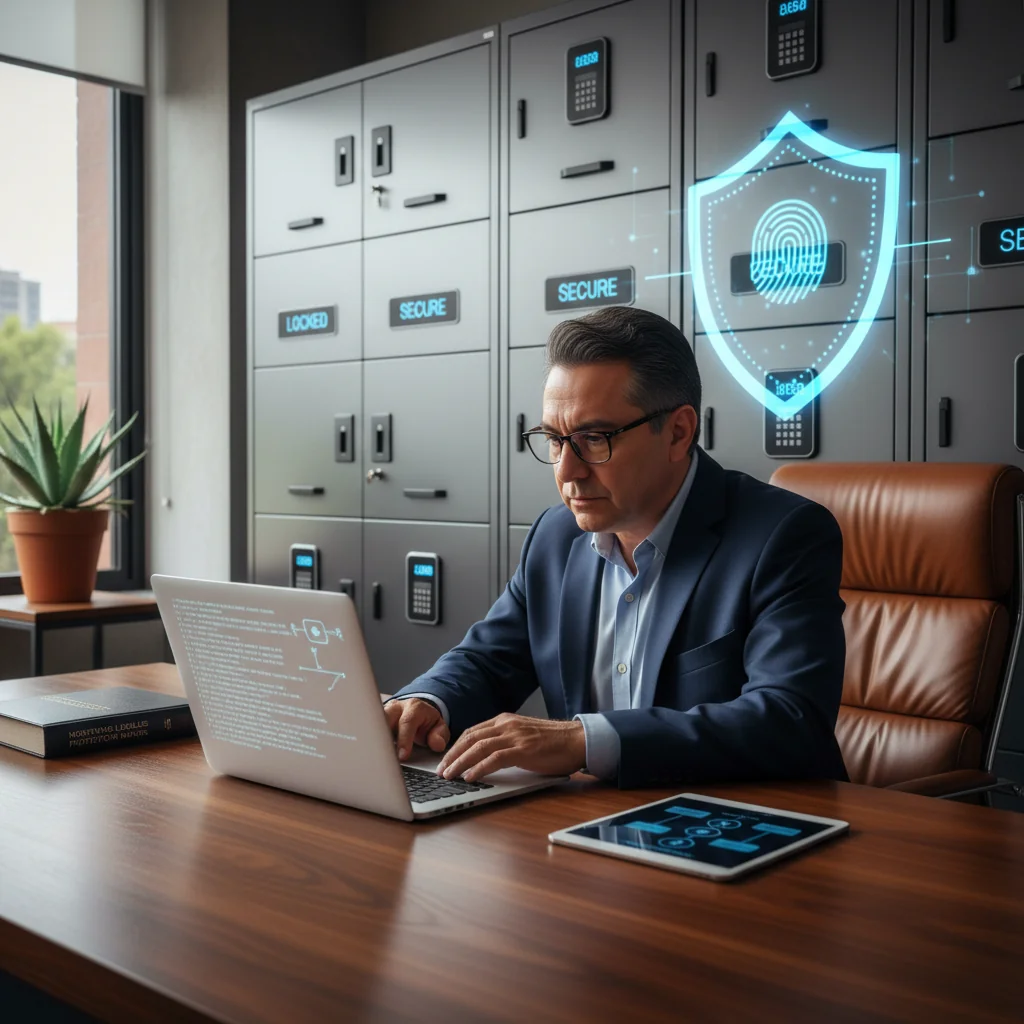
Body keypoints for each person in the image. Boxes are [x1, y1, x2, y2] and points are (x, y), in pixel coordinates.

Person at [385, 305, 848, 787]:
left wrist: (582, 742)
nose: (567, 470)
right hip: (590, 824)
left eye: (594, 438)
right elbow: (488, 660)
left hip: (741, 827)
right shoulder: (554, 536)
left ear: (678, 432)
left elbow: (789, 719)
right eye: (554, 440)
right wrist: (427, 700)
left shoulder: (783, 536)